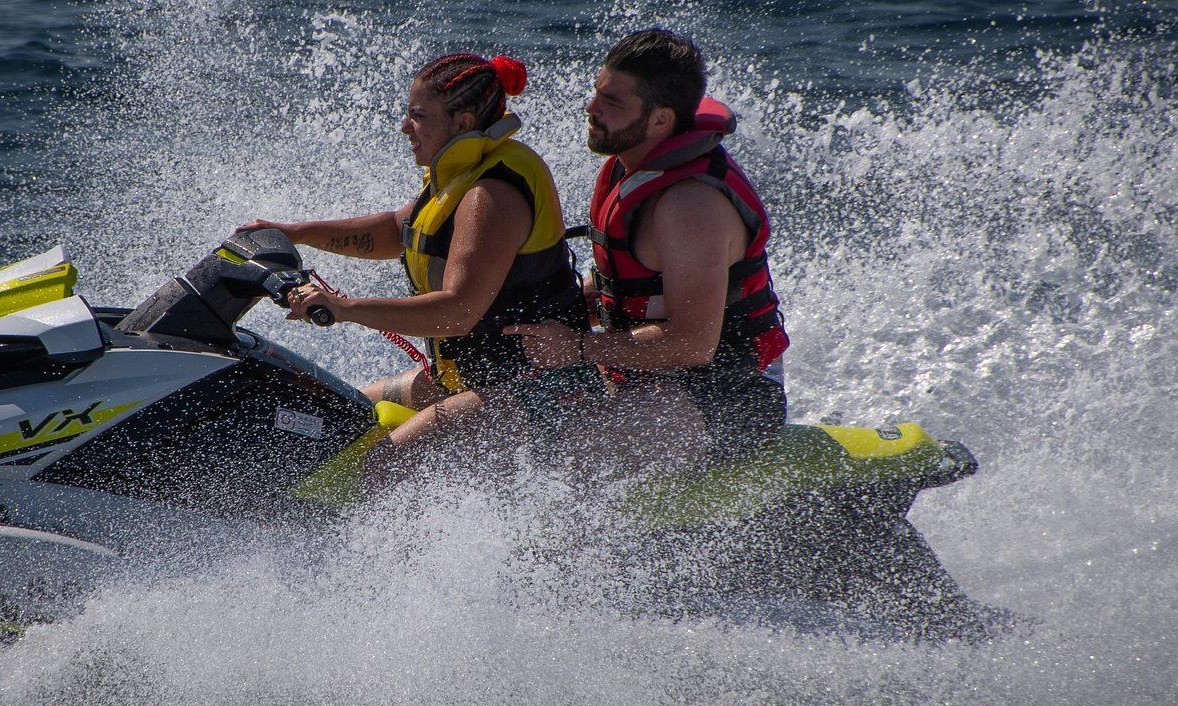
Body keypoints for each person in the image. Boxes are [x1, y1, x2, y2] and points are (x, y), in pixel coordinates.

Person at [240, 53, 586, 452]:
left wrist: (347, 308)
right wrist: (295, 232)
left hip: (536, 389)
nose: (405, 127)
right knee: (336, 414)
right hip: (468, 379)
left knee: (381, 465)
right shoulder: (460, 174)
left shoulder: (491, 194)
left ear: (464, 124)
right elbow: (394, 230)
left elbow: (457, 312)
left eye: (418, 116)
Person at [508, 28, 788, 463]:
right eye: (597, 92)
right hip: (646, 375)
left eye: (613, 102)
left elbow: (694, 344)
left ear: (660, 120)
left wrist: (577, 348)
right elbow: (627, 285)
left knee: (549, 456)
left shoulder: (690, 207)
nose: (591, 108)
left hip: (729, 395)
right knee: (480, 406)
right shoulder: (632, 168)